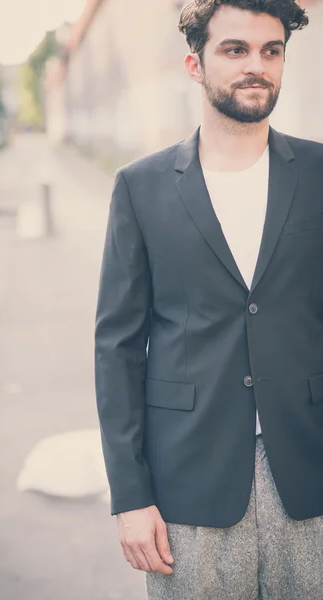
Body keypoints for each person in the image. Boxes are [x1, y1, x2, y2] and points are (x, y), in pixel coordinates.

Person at [94, 1, 323, 598]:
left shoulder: (322, 174)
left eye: (271, 51)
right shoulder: (139, 188)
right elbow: (117, 349)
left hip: (310, 466)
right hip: (187, 479)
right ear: (194, 65)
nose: (257, 66)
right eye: (235, 50)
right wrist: (131, 495)